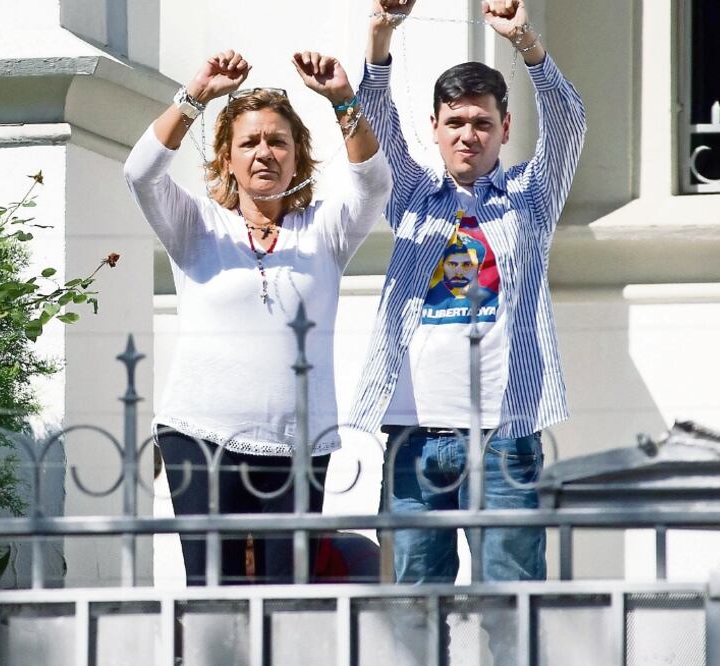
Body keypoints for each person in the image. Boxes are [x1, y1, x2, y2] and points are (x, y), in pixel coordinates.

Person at [352, 0, 586, 621]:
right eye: (454, 121)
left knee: (511, 609)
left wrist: (526, 43)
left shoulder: (530, 198)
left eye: (482, 123)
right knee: (412, 611)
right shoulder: (411, 197)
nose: (467, 134)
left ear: (505, 129)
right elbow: (377, 132)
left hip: (506, 437)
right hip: (413, 435)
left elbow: (568, 122)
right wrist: (379, 36)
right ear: (435, 126)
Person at [124, 49, 391, 585]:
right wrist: (196, 94)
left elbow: (374, 184)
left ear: (298, 158)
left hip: (298, 443)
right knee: (210, 594)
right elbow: (141, 173)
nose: (264, 152)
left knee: (288, 596)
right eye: (249, 142)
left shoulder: (325, 232)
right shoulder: (197, 225)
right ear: (227, 158)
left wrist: (343, 99)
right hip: (200, 436)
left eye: (278, 141)